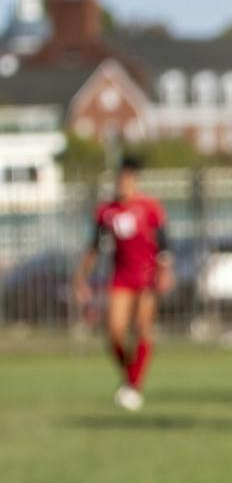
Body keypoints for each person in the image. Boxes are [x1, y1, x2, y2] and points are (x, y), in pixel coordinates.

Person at [72, 157, 173, 411]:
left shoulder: (150, 207)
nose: (123, 185)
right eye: (120, 180)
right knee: (114, 332)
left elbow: (164, 243)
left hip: (147, 275)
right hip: (121, 276)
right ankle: (130, 377)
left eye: (128, 180)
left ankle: (133, 386)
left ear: (135, 182)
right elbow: (94, 246)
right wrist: (81, 276)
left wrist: (164, 271)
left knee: (141, 327)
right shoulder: (107, 211)